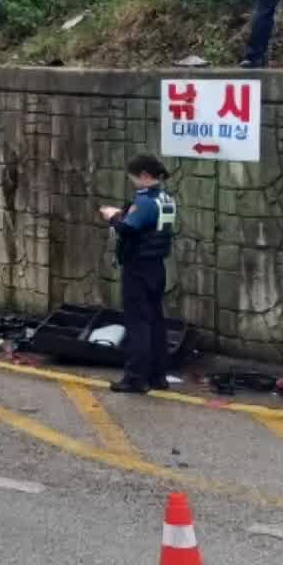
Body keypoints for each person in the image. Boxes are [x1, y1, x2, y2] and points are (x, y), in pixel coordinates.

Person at [101, 155, 177, 394]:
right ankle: (157, 375)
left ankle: (135, 378)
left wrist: (112, 216)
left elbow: (127, 228)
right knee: (155, 321)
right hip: (156, 266)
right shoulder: (166, 198)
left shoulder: (144, 202)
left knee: (138, 323)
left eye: (133, 178)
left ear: (145, 176)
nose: (132, 182)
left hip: (138, 268)